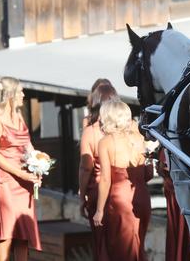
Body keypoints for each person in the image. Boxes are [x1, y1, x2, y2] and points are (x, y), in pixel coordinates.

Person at [0, 76, 42, 261]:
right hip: (5, 181)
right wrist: (20, 174)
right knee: (6, 232)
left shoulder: (18, 115)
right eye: (20, 91)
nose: (23, 94)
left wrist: (39, 163)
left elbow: (28, 146)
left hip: (24, 183)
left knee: (23, 232)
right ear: (10, 95)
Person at [93, 100, 153, 260]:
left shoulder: (105, 142)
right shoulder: (140, 139)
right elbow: (149, 175)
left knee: (121, 250)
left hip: (120, 202)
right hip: (142, 197)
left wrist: (99, 210)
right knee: (138, 247)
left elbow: (105, 179)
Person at [78, 83, 119, 260]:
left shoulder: (91, 132)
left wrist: (81, 197)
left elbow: (85, 167)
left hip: (97, 191)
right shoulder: (127, 131)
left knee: (102, 244)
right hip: (121, 192)